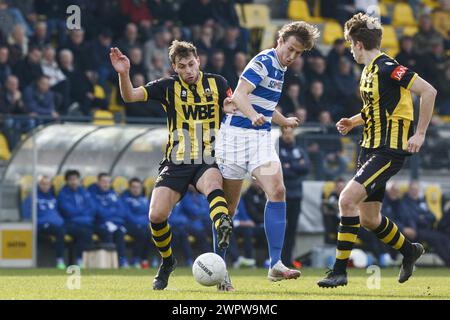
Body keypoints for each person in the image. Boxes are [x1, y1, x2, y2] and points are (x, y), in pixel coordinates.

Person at [317, 13, 437, 288]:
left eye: (350, 44)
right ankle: (410, 250)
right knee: (369, 219)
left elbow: (428, 91)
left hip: (388, 150)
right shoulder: (369, 71)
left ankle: (339, 271)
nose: (349, 50)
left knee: (346, 200)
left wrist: (419, 133)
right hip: (369, 147)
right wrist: (354, 120)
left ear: (359, 44)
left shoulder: (387, 66)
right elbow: (377, 109)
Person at [110, 40, 236, 290]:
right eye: (182, 66)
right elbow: (130, 96)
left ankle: (222, 235)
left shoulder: (218, 83)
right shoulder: (167, 86)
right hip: (176, 161)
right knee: (156, 215)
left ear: (198, 60)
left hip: (208, 158)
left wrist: (233, 109)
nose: (188, 70)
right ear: (174, 68)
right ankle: (167, 262)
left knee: (213, 184)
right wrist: (124, 73)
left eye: (191, 64)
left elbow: (232, 106)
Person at [216, 21, 320, 286]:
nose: (293, 56)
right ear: (279, 40)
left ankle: (275, 264)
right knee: (228, 208)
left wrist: (283, 120)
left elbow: (263, 103)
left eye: (298, 53)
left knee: (277, 191)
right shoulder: (263, 61)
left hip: (260, 138)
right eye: (291, 49)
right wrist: (252, 116)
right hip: (235, 139)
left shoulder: (281, 68)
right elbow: (240, 95)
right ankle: (219, 268)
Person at [278, 126, 310, 267]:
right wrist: (296, 166)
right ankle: (277, 259)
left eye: (290, 133)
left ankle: (287, 260)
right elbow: (282, 170)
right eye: (286, 133)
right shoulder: (278, 150)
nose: (288, 136)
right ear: (282, 134)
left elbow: (306, 168)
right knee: (280, 229)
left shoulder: (299, 150)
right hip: (282, 195)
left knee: (292, 230)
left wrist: (289, 165)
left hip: (296, 195)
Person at [22, 175, 66, 269]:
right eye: (43, 184)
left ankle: (77, 261)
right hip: (41, 225)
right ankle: (60, 260)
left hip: (56, 224)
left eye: (47, 184)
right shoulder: (32, 198)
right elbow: (26, 214)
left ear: (50, 185)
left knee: (76, 230)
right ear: (38, 185)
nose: (45, 186)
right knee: (59, 232)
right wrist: (39, 222)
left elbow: (58, 212)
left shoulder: (53, 197)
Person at [88, 173, 129, 268]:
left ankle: (121, 261)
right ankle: (109, 262)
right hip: (98, 223)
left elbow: (122, 210)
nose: (106, 184)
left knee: (119, 233)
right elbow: (97, 211)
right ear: (98, 182)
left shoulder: (113, 194)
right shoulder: (92, 194)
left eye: (108, 182)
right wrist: (111, 214)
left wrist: (113, 220)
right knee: (107, 233)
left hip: (114, 223)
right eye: (103, 181)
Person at [58, 170, 96, 267]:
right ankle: (70, 260)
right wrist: (82, 213)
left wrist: (82, 214)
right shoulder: (63, 194)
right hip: (70, 223)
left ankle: (81, 260)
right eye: (71, 179)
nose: (74, 182)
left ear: (79, 180)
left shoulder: (84, 192)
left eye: (75, 179)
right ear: (66, 181)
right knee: (83, 232)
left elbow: (92, 208)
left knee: (88, 231)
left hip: (84, 222)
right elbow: (68, 211)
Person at [121, 177, 154, 269]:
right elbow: (127, 215)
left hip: (142, 226)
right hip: (128, 225)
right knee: (142, 233)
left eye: (138, 187)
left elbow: (149, 214)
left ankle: (144, 260)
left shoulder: (144, 200)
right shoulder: (125, 199)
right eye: (134, 187)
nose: (136, 189)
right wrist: (140, 222)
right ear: (130, 188)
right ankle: (135, 259)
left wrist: (144, 223)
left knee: (150, 233)